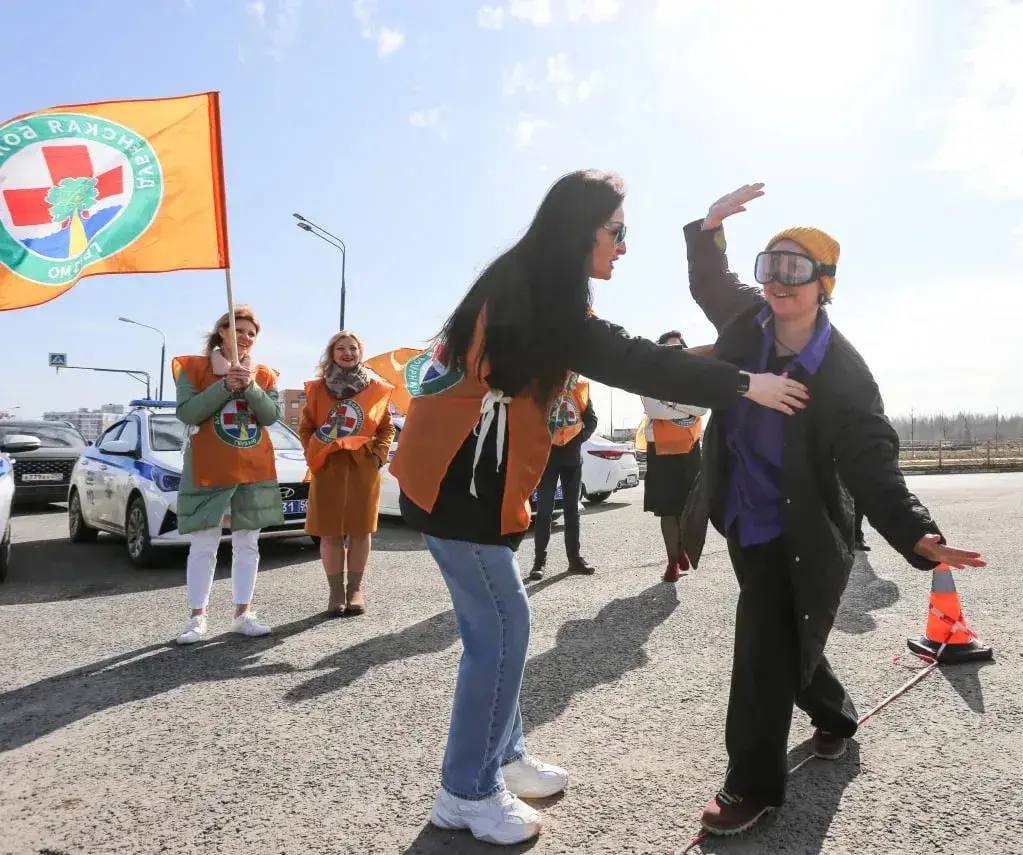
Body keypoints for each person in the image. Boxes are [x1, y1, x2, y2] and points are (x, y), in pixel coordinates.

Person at [389, 170, 809, 846]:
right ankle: (464, 792)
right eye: (617, 231)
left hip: (470, 481)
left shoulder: (534, 282)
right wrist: (742, 383)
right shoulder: (535, 295)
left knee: (496, 627)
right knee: (500, 628)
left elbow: (628, 355)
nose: (623, 245)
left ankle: (501, 755)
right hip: (457, 485)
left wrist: (729, 364)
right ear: (577, 228)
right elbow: (629, 360)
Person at [681, 184, 986, 836]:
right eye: (770, 266)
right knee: (786, 637)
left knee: (763, 648)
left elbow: (872, 465)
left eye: (795, 269)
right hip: (740, 514)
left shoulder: (843, 374)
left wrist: (917, 532)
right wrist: (707, 231)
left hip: (804, 531)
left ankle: (750, 786)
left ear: (825, 284)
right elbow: (711, 285)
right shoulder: (747, 323)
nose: (778, 282)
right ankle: (837, 716)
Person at [172, 305, 283, 645]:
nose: (246, 337)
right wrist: (223, 387)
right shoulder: (193, 368)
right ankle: (197, 618)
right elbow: (188, 412)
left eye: (252, 333)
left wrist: (248, 386)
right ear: (222, 331)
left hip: (252, 468)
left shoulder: (264, 375)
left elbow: (270, 416)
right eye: (239, 330)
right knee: (204, 542)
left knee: (248, 543)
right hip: (208, 468)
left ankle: (243, 613)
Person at [299, 331, 395, 616]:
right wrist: (314, 451)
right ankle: (335, 592)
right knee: (329, 532)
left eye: (353, 347)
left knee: (360, 530)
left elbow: (386, 428)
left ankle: (355, 589)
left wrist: (377, 456)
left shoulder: (377, 389)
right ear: (332, 353)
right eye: (341, 348)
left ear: (360, 352)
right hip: (327, 467)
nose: (347, 352)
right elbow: (306, 428)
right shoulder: (316, 389)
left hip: (362, 467)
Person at [641, 330, 708, 582]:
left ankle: (682, 548)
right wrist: (683, 405)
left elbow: (701, 408)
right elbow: (652, 408)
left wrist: (669, 403)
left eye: (680, 348)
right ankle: (672, 562)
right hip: (661, 450)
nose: (675, 353)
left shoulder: (694, 378)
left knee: (687, 507)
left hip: (690, 449)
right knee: (667, 508)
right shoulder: (649, 377)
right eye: (669, 349)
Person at [527, 374, 597, 580]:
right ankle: (539, 562)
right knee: (544, 512)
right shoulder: (542, 385)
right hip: (547, 459)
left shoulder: (581, 389)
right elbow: (531, 418)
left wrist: (576, 439)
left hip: (572, 460)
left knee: (572, 511)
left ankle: (574, 559)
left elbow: (591, 420)